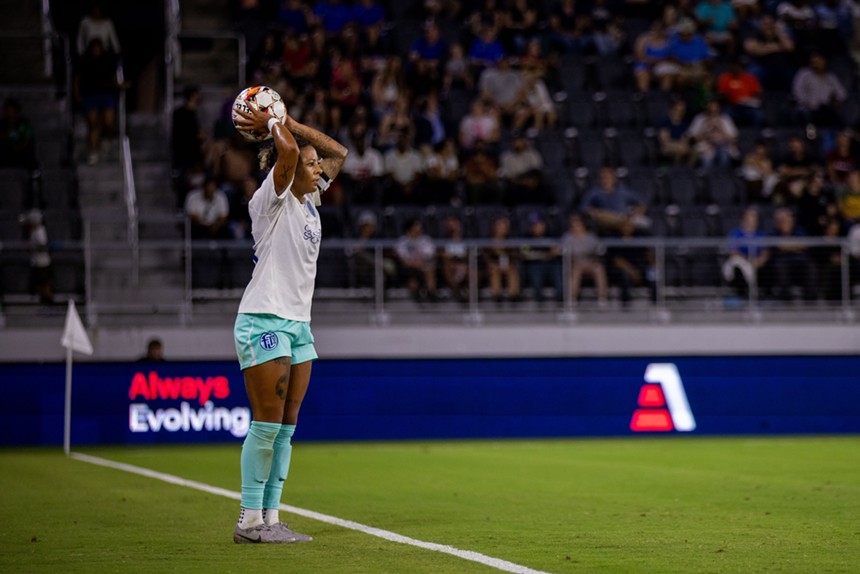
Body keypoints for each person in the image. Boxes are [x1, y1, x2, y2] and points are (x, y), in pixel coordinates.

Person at [230, 98, 348, 543]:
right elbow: (292, 154)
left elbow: (340, 154)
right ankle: (249, 520)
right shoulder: (271, 199)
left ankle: (271, 518)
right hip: (264, 318)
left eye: (316, 166)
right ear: (291, 167)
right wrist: (277, 125)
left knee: (286, 427)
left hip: (298, 324)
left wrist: (293, 123)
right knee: (266, 421)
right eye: (310, 164)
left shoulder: (310, 201)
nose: (318, 170)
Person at [562, 213, 608, 306]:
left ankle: (602, 299)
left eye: (577, 224)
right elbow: (564, 250)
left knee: (599, 269)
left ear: (583, 224)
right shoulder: (568, 237)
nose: (575, 226)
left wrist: (594, 259)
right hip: (575, 263)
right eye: (573, 224)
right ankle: (572, 299)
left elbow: (600, 250)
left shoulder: (591, 237)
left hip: (590, 263)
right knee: (576, 271)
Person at [722, 206, 768, 300]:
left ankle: (759, 294)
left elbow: (766, 251)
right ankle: (742, 293)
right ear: (743, 220)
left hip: (757, 263)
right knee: (737, 263)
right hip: (742, 262)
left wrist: (761, 260)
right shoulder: (735, 234)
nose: (753, 221)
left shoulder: (761, 234)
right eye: (750, 218)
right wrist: (748, 260)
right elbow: (732, 251)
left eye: (755, 218)